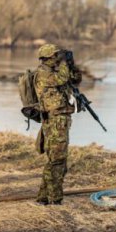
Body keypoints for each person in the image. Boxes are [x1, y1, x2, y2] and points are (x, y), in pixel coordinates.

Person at [34, 44, 82, 205]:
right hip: (54, 120)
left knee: (57, 160)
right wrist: (64, 64)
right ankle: (55, 198)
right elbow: (62, 78)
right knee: (57, 160)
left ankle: (43, 197)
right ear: (49, 57)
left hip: (60, 120)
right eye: (56, 56)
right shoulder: (43, 73)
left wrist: (71, 64)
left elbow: (75, 79)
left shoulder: (55, 71)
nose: (58, 58)